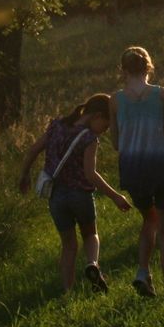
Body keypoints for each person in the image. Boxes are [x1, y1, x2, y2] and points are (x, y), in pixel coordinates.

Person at [18, 95, 132, 294]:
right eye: (105, 126)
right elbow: (90, 174)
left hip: (56, 198)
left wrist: (24, 174)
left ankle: (67, 290)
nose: (105, 131)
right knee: (90, 235)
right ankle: (93, 264)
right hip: (80, 196)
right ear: (97, 116)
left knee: (69, 245)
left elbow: (33, 150)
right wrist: (116, 196)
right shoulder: (89, 138)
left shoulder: (56, 127)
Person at [111, 46, 164, 299]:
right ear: (148, 67)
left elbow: (116, 143)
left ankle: (143, 272)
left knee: (148, 219)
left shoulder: (115, 100)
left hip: (133, 171)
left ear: (123, 70)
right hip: (161, 167)